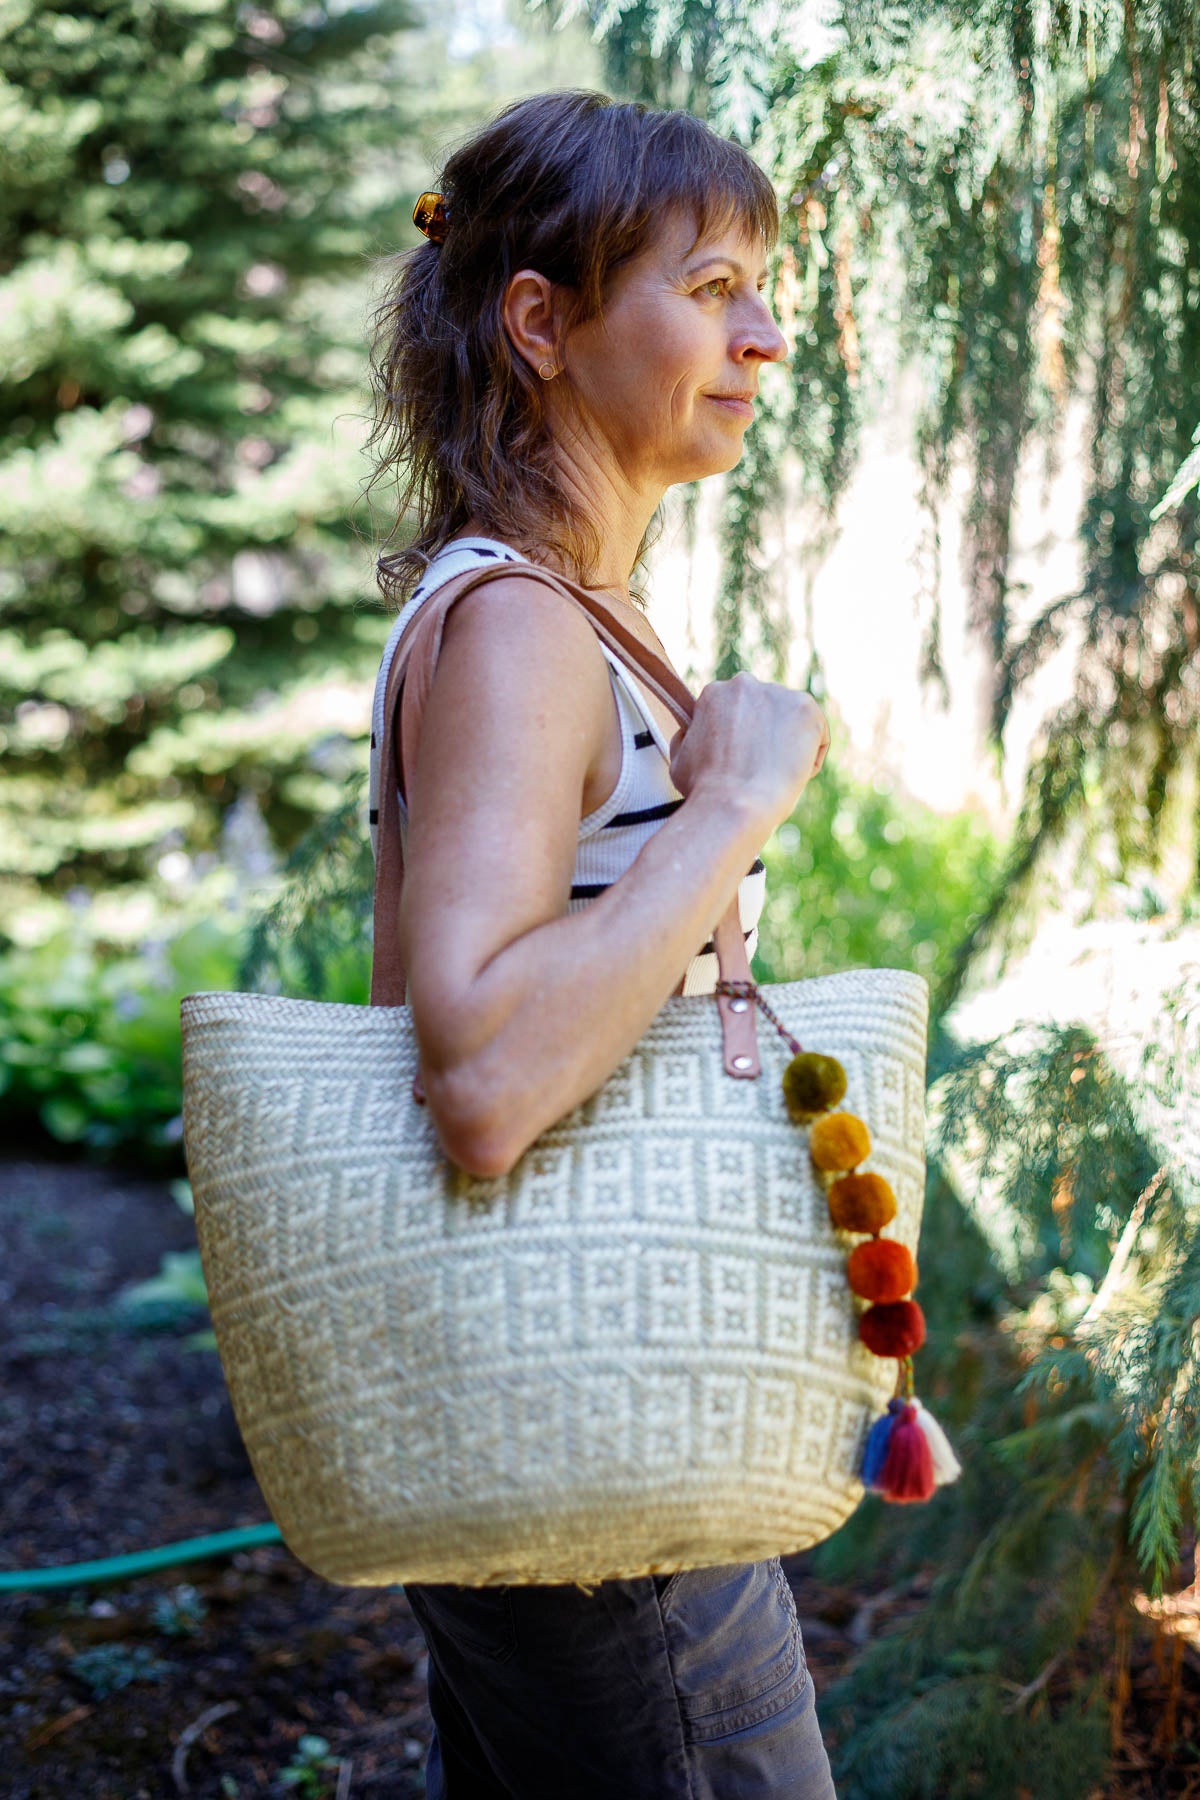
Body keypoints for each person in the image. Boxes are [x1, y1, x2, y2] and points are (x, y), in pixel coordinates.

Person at [363, 88, 835, 1800]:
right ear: (542, 323)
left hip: (557, 1403)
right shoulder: (519, 629)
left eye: (760, 291)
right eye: (711, 288)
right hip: (592, 1437)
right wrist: (732, 809)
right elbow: (480, 1074)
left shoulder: (569, 618)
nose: (764, 336)